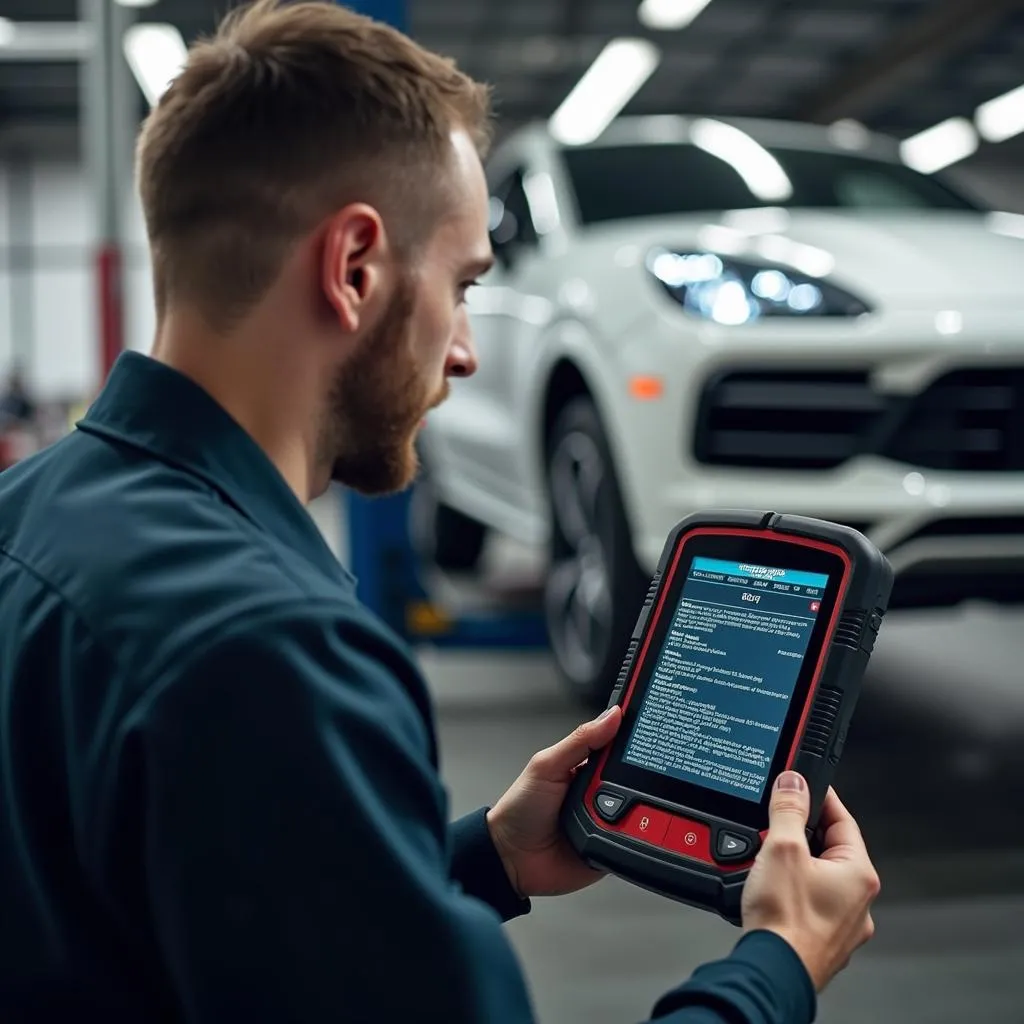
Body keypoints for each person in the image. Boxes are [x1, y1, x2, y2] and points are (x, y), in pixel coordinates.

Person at [0, 2, 880, 1021]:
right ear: (356, 268)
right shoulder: (268, 649)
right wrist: (777, 962)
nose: (464, 349)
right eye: (461, 285)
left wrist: (484, 858)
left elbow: (192, 938)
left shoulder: (26, 519)